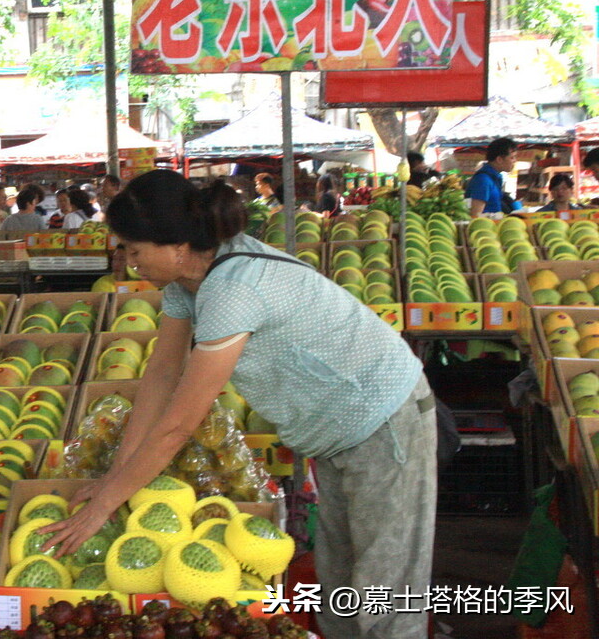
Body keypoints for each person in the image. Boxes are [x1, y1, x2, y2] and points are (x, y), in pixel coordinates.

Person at [44, 170, 435, 639]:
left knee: (386, 593)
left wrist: (104, 505)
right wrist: (113, 480)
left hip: (383, 419)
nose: (128, 264)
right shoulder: (187, 283)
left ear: (177, 245)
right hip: (335, 434)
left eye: (134, 250)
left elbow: (177, 424)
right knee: (341, 582)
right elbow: (161, 378)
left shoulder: (232, 290)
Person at [465, 137, 517, 217]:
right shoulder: (483, 180)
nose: (514, 161)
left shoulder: (495, 178)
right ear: (499, 159)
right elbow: (475, 215)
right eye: (512, 157)